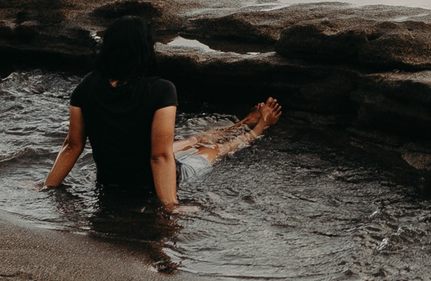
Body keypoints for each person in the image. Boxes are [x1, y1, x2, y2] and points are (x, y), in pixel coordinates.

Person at [39, 17, 281, 212]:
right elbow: (159, 157)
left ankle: (243, 122)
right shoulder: (161, 90)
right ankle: (259, 127)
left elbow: (72, 145)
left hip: (111, 181)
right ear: (147, 50)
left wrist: (47, 186)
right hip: (150, 183)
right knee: (215, 150)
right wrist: (170, 206)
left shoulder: (87, 85)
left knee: (193, 140)